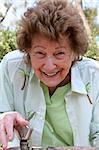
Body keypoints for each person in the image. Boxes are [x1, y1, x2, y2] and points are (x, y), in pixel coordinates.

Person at [0, 0, 99, 149]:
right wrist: (4, 117)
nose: (49, 66)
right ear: (28, 50)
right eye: (40, 53)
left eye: (59, 53)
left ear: (74, 52)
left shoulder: (93, 75)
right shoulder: (11, 67)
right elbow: (2, 112)